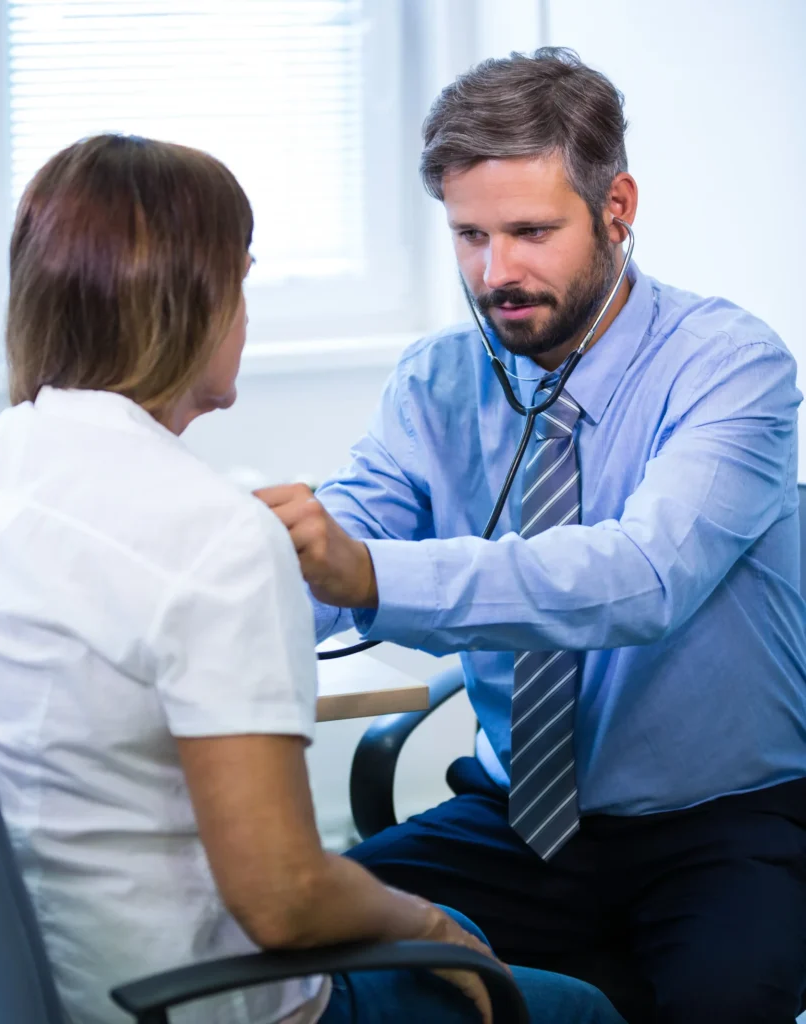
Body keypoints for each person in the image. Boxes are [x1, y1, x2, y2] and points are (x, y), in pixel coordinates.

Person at [0, 133, 623, 1024]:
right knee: (578, 1009)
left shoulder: (6, 473)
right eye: (241, 282)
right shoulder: (213, 537)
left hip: (41, 986)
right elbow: (284, 897)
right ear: (198, 298)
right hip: (205, 1003)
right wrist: (440, 933)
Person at [256, 48, 806, 1024]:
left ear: (616, 206)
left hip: (721, 826)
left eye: (529, 232)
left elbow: (641, 579)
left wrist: (370, 571)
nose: (494, 272)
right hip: (522, 821)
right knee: (283, 957)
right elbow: (343, 542)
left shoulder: (733, 368)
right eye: (469, 235)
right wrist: (233, 575)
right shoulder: (435, 382)